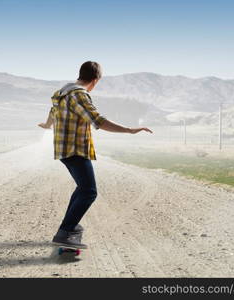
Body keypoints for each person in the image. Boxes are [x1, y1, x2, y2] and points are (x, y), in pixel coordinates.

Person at [38, 61, 153, 248]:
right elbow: (98, 120)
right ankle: (66, 231)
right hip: (75, 149)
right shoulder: (79, 94)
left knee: (82, 188)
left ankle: (69, 227)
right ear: (95, 80)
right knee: (89, 191)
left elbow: (52, 111)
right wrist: (130, 130)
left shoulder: (61, 92)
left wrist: (47, 124)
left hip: (63, 148)